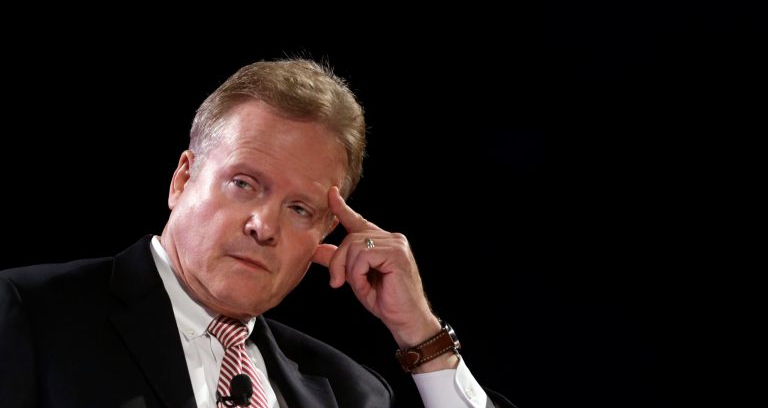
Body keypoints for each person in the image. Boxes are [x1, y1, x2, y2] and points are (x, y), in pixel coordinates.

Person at [0, 59, 514, 407]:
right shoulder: (27, 313)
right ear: (183, 178)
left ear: (326, 232)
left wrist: (422, 337)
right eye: (244, 184)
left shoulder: (349, 392)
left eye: (299, 208)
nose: (263, 226)